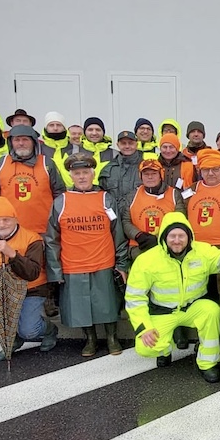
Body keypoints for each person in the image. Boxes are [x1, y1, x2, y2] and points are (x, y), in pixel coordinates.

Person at [124, 212, 220, 380]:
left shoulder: (201, 251)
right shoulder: (146, 260)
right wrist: (144, 327)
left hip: (193, 307)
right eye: (172, 236)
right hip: (163, 312)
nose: (177, 240)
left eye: (181, 235)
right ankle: (164, 349)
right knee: (145, 347)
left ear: (189, 236)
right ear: (164, 236)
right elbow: (134, 298)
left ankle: (208, 363)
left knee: (212, 310)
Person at [45, 153, 131, 358]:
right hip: (73, 264)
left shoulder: (105, 198)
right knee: (80, 307)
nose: (82, 177)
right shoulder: (61, 201)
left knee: (108, 304)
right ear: (71, 176)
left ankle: (112, 337)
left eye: (85, 172)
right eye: (77, 173)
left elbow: (117, 232)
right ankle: (90, 339)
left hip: (103, 261)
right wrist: (55, 270)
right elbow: (51, 238)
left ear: (92, 174)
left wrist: (121, 263)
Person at [0, 196, 57, 361]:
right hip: (0, 292)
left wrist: (13, 255)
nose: (1, 224)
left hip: (31, 289)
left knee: (29, 330)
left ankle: (49, 329)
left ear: (15, 218)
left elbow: (33, 272)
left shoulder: (32, 238)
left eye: (6, 219)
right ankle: (12, 340)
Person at [0, 124, 65, 235]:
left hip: (44, 231)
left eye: (25, 139)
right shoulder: (1, 163)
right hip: (9, 231)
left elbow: (59, 194)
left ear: (33, 142)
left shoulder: (47, 163)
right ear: (11, 142)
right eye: (17, 140)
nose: (21, 143)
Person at [126, 157, 186, 256]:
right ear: (141, 177)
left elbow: (179, 220)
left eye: (154, 174)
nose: (150, 177)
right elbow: (125, 220)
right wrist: (138, 235)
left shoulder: (174, 194)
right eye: (146, 174)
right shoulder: (132, 195)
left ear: (160, 175)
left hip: (167, 245)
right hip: (139, 246)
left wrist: (160, 238)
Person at [99, 130, 144, 216]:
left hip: (139, 215)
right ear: (117, 145)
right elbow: (102, 197)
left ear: (136, 144)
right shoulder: (108, 169)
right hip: (115, 217)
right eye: (123, 143)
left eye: (130, 143)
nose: (127, 146)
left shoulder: (145, 168)